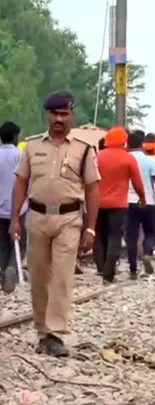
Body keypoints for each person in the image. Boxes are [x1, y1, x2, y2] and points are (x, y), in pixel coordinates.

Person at [10, 90, 101, 356]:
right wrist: (15, 218)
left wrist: (91, 228)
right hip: (36, 217)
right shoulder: (32, 146)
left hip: (69, 219)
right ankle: (42, 331)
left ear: (71, 114)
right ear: (47, 115)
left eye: (64, 113)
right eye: (54, 113)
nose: (59, 118)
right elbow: (21, 183)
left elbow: (93, 189)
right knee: (38, 276)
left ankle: (55, 333)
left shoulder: (84, 149)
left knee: (61, 277)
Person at [96, 127, 146, 283]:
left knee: (99, 236)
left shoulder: (97, 156)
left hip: (97, 204)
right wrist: (142, 198)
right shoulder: (128, 158)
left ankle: (101, 267)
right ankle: (108, 274)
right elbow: (137, 183)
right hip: (118, 205)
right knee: (114, 237)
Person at [126, 130, 155, 279]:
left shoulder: (124, 159)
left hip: (128, 202)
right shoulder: (149, 161)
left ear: (127, 144)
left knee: (131, 236)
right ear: (142, 144)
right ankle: (148, 253)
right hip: (148, 202)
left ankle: (132, 270)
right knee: (151, 230)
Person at [0, 121, 26, 293]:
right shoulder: (21, 155)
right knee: (20, 241)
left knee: (2, 243)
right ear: (16, 137)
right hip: (19, 208)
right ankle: (12, 268)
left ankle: (3, 272)